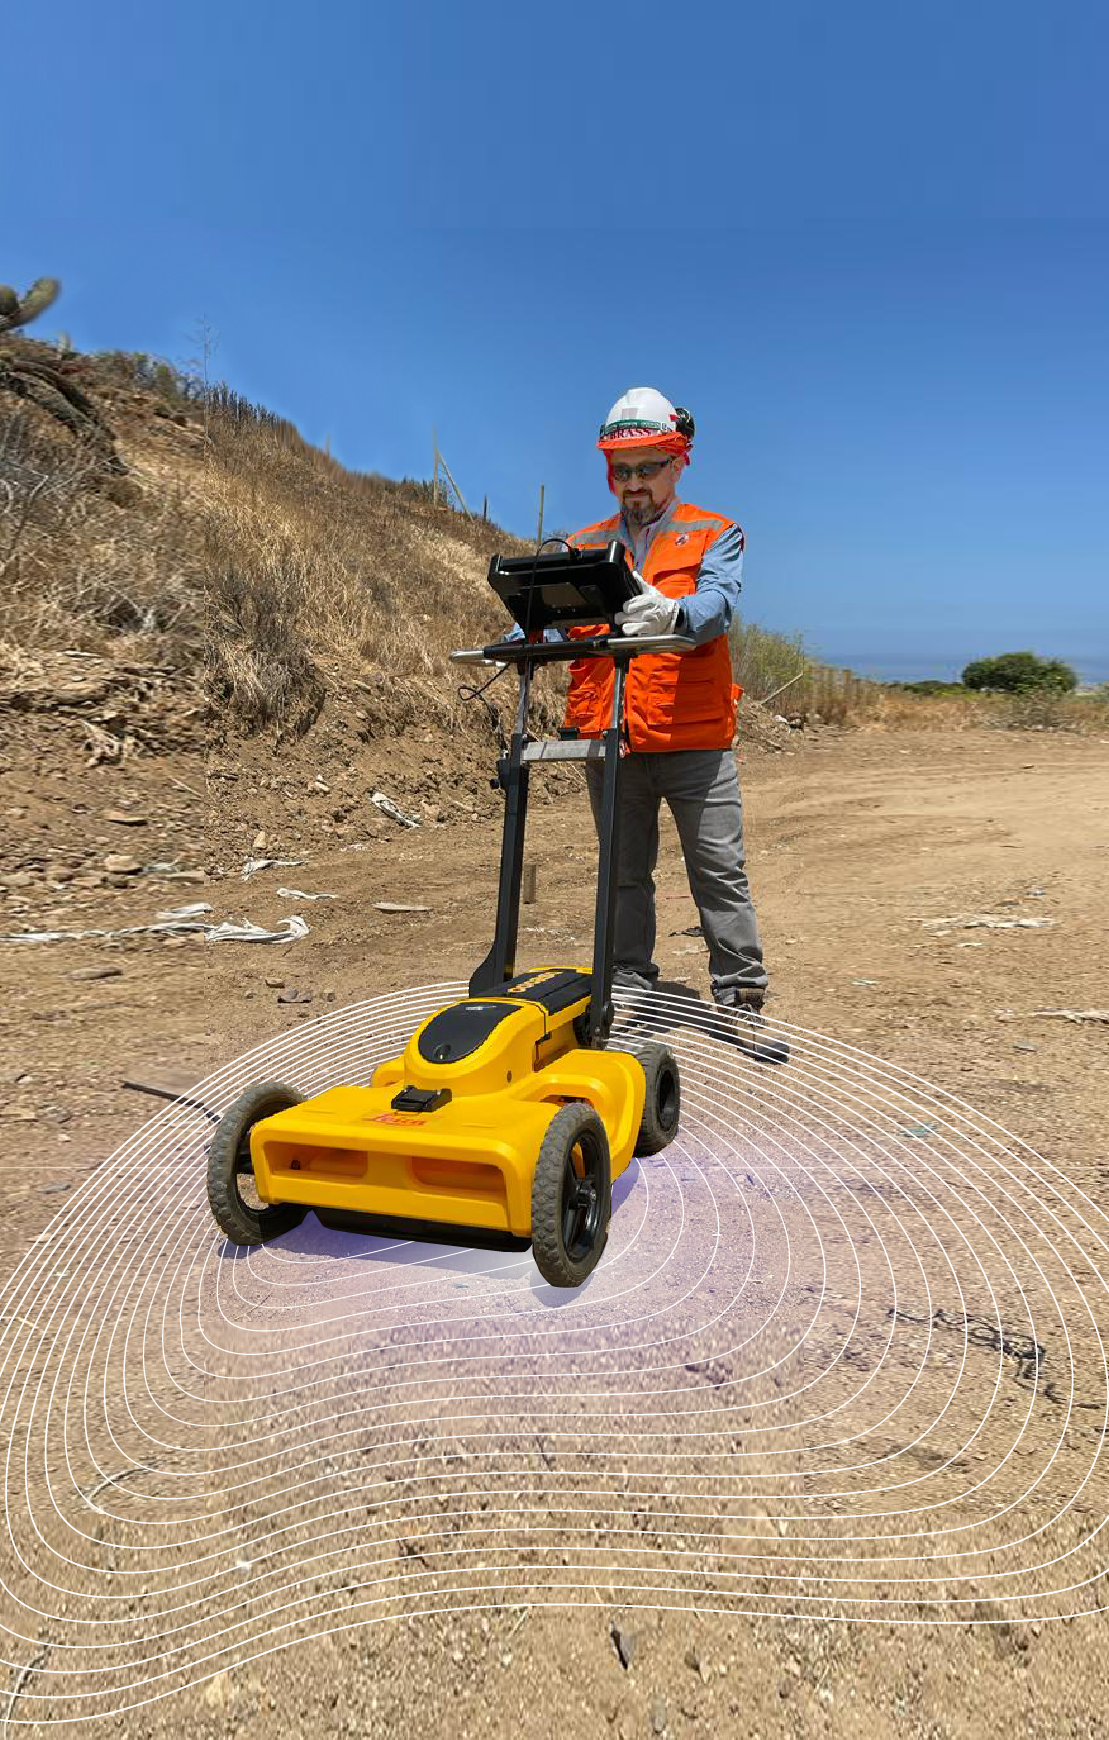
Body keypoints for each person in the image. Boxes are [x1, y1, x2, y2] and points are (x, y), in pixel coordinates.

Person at [565, 386, 769, 1033]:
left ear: (677, 463)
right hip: (611, 739)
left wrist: (674, 613)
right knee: (623, 874)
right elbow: (558, 623)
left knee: (717, 869)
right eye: (620, 470)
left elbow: (718, 608)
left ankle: (739, 986)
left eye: (646, 467)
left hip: (693, 740)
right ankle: (627, 975)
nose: (632, 482)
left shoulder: (714, 532)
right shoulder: (584, 544)